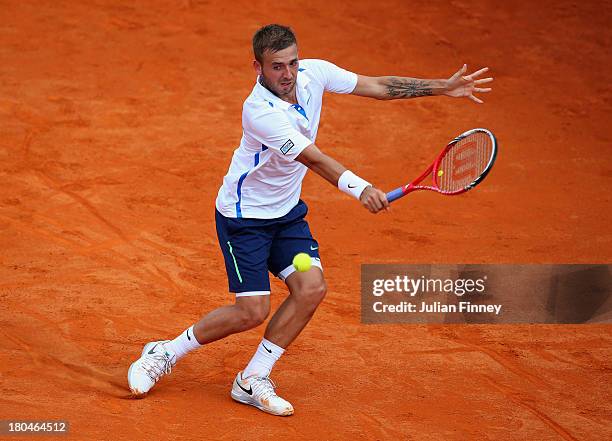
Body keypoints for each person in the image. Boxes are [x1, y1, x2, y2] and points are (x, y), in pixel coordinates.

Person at [127, 24, 492, 416]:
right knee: (251, 311)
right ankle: (165, 351)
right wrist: (361, 188)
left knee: (311, 289)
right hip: (244, 217)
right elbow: (313, 158)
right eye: (277, 66)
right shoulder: (259, 112)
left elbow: (376, 85)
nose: (287, 74)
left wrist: (442, 87)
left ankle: (252, 378)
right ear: (258, 68)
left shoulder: (313, 74)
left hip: (286, 214)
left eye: (292, 63)